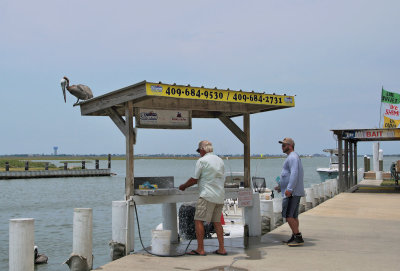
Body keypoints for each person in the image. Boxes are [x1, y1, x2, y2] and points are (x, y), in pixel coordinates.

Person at [179, 140, 227, 256]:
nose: (199, 153)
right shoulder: (220, 160)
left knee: (198, 220)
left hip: (207, 195)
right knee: (217, 222)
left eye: (199, 151)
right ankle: (222, 249)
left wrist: (184, 186)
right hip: (220, 196)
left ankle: (200, 249)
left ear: (202, 149)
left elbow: (195, 179)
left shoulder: (202, 160)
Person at [275, 137, 305, 246]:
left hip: (292, 193)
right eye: (282, 145)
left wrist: (289, 189)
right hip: (292, 192)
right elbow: (288, 175)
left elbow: (294, 174)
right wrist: (281, 187)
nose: (282, 147)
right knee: (294, 215)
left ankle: (298, 237)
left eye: (284, 145)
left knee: (288, 216)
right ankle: (294, 235)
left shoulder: (292, 157)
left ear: (290, 146)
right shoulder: (292, 157)